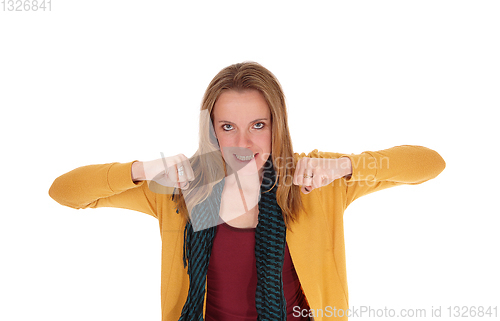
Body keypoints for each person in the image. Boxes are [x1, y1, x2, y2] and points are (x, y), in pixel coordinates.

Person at [49, 61, 446, 321]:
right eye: (227, 127)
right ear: (211, 131)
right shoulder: (181, 189)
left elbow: (429, 164)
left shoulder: (312, 180)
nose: (244, 143)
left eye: (258, 125)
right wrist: (141, 169)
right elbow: (65, 192)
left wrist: (346, 166)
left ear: (278, 125)